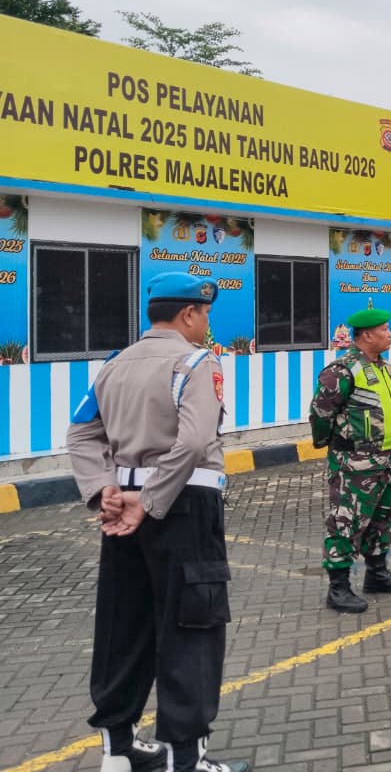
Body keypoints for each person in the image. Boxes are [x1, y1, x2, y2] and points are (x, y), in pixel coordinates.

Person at [67, 272, 251, 772]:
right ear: (188, 314)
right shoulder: (195, 362)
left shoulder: (113, 364)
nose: (207, 324)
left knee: (123, 626)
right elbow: (193, 442)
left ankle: (118, 751)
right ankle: (185, 760)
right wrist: (149, 502)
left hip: (122, 511)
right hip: (183, 506)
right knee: (192, 627)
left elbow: (81, 434)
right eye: (205, 314)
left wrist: (104, 489)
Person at [311, 306, 391, 612]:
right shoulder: (342, 370)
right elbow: (320, 413)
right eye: (384, 330)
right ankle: (338, 587)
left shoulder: (385, 367)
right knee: (347, 521)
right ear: (367, 335)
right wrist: (334, 445)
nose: (389, 334)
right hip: (355, 462)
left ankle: (377, 573)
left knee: (383, 518)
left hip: (387, 459)